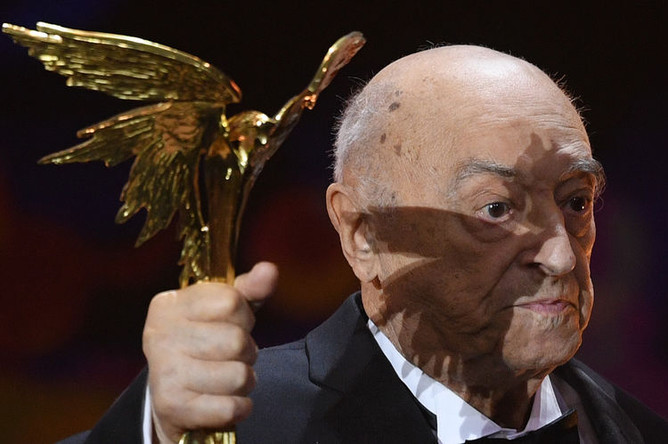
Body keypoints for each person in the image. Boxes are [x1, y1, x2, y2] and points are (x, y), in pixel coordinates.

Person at [60, 45, 668, 443]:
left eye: (576, 202)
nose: (561, 255)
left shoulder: (635, 431)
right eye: (496, 209)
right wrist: (155, 431)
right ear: (363, 234)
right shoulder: (242, 423)